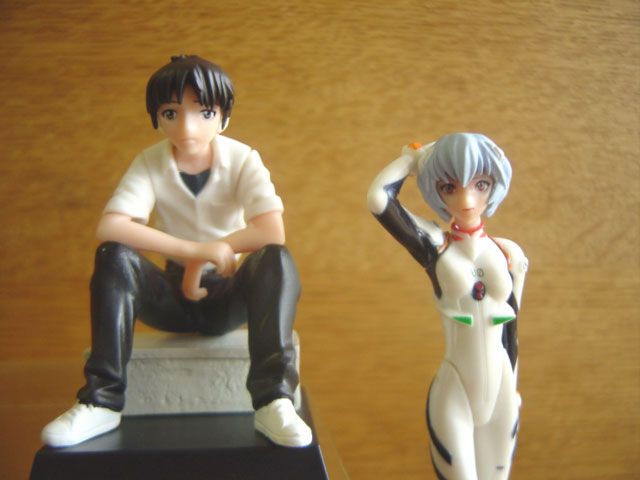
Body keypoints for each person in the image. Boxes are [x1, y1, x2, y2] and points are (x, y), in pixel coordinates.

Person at [41, 55, 312, 448]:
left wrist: (212, 254)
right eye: (171, 113)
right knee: (113, 255)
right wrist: (193, 251)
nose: (187, 128)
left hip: (228, 291)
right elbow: (111, 227)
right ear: (156, 117)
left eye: (204, 112)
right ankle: (102, 400)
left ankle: (274, 399)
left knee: (276, 260)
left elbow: (272, 231)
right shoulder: (149, 161)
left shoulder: (243, 159)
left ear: (223, 117)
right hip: (171, 296)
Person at [367, 133, 528, 479]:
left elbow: (512, 329)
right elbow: (379, 200)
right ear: (435, 190)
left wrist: (513, 387)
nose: (467, 199)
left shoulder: (508, 254)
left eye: (480, 184)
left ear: (495, 183)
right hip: (455, 388)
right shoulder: (435, 246)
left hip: (501, 386)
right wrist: (412, 162)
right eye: (450, 187)